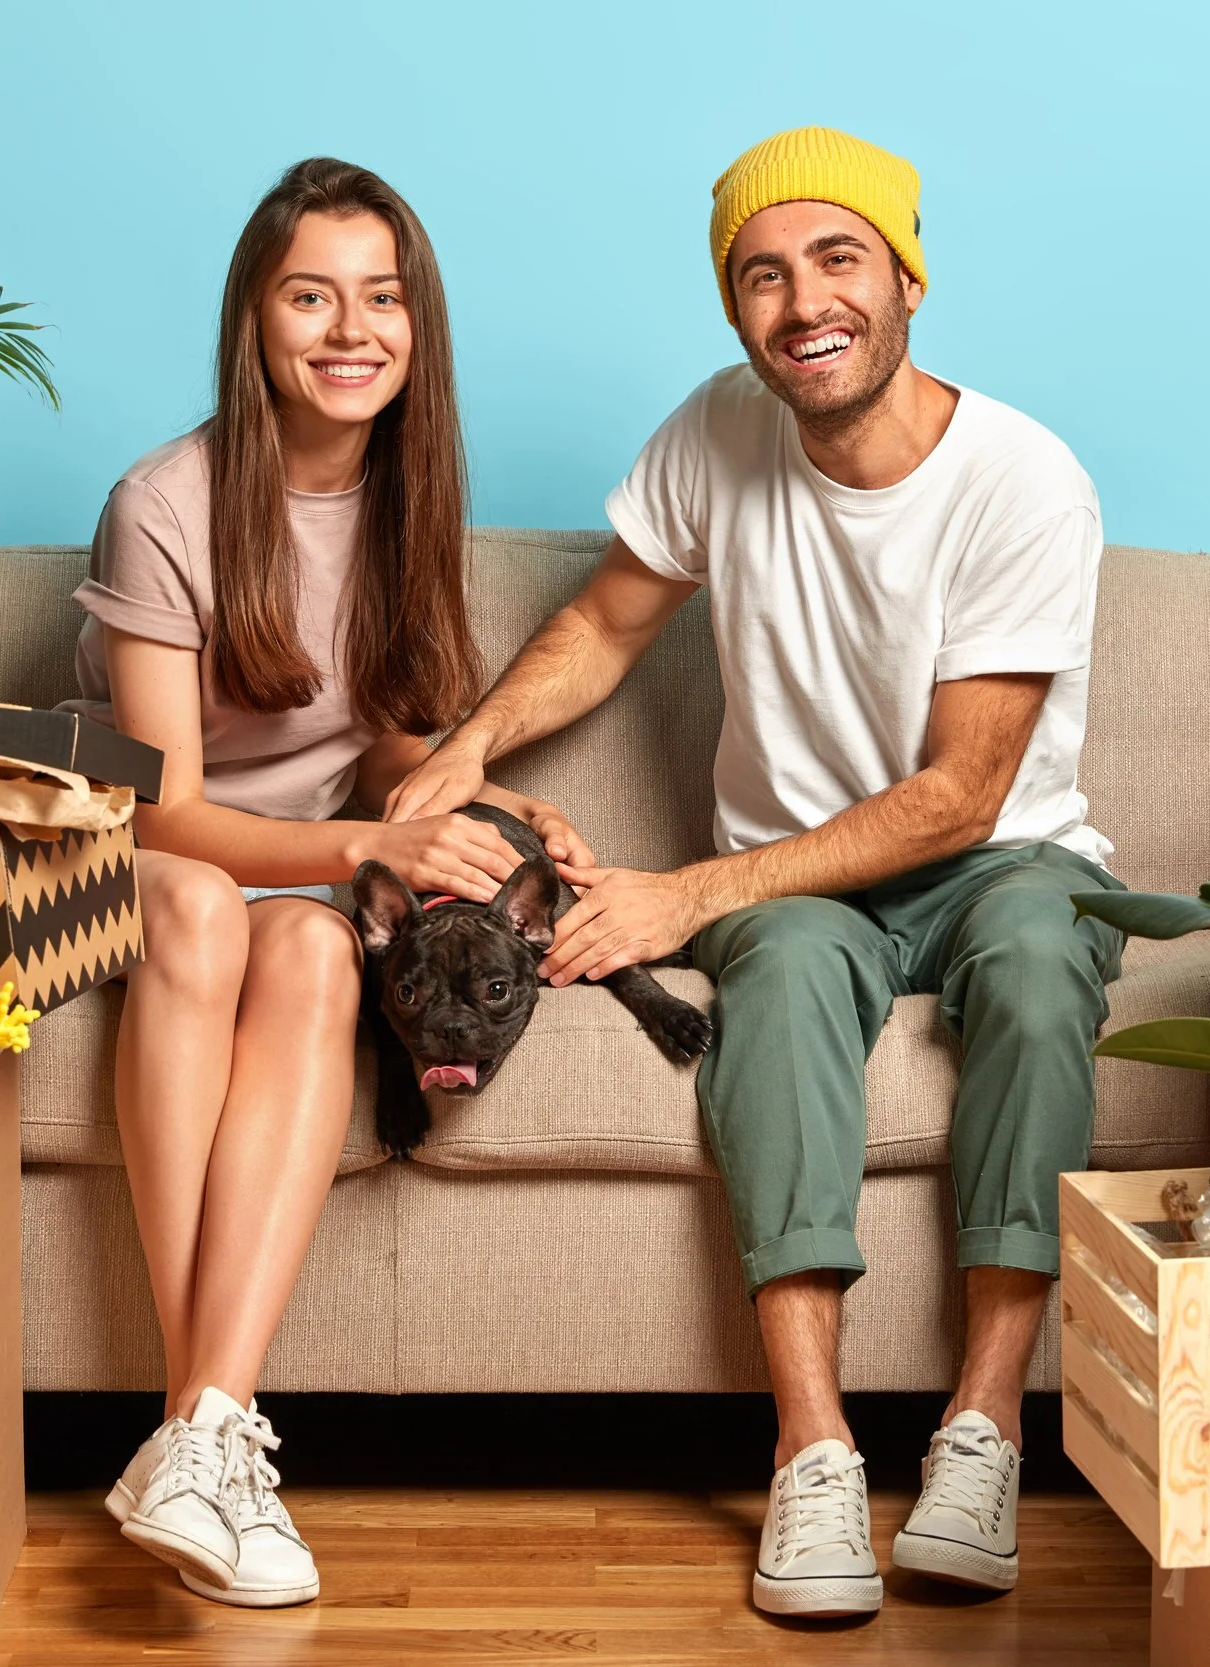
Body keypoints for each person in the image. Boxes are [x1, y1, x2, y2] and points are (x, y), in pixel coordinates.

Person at [388, 126, 1121, 1619]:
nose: (804, 303)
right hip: (801, 894)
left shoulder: (1023, 481)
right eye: (763, 275)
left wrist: (685, 893)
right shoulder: (717, 429)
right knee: (778, 986)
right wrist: (467, 749)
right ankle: (816, 1455)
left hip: (1000, 861)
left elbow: (962, 795)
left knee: (1044, 973)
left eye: (838, 259)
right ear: (736, 311)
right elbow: (604, 623)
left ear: (908, 274)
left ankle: (981, 1434)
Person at [71, 157, 589, 1609]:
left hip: (299, 878)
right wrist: (372, 846)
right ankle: (212, 1435)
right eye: (312, 295)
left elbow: (380, 735)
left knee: (307, 961)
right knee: (190, 907)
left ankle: (201, 1432)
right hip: (166, 857)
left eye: (383, 297)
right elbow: (166, 811)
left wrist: (482, 803)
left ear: (417, 327)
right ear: (255, 320)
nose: (350, 328)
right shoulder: (162, 501)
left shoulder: (410, 494)